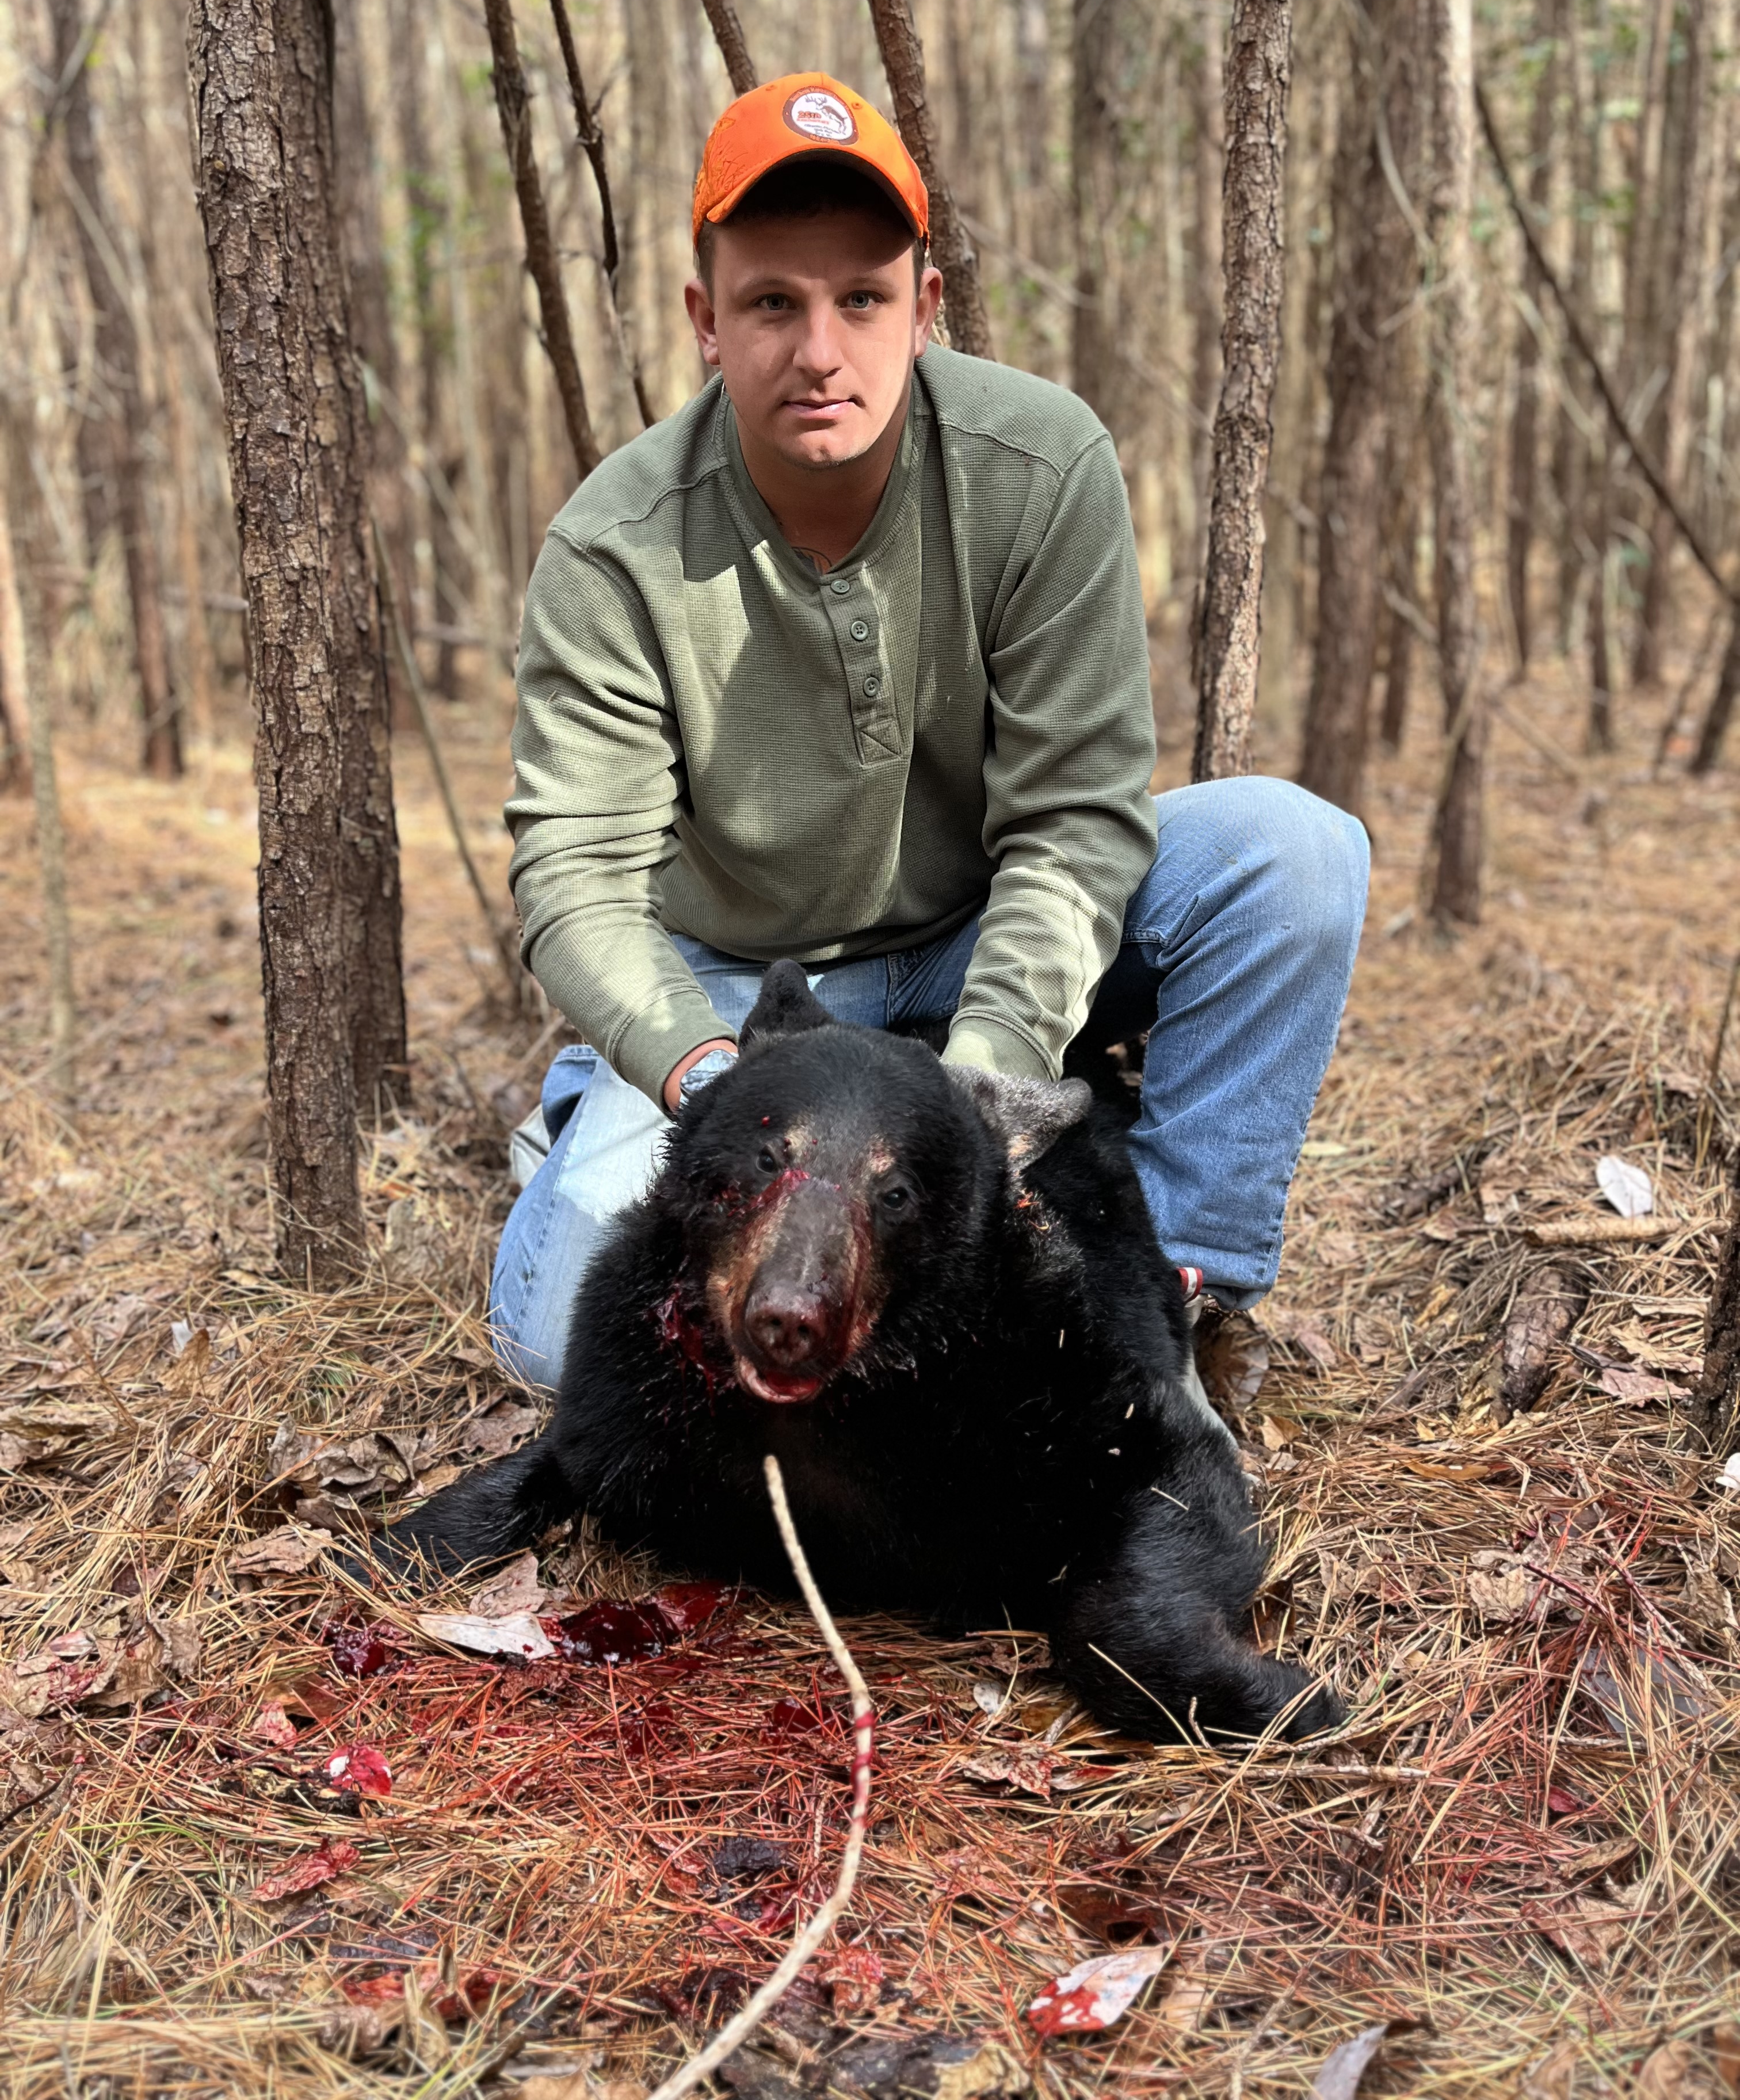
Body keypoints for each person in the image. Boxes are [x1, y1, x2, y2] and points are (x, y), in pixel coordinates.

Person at [494, 71, 1368, 1391]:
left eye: (862, 299)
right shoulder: (616, 546)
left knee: (1288, 855)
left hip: (979, 931)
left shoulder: (1040, 465)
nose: (820, 349)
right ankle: (596, 1105)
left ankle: (1168, 1293)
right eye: (772, 304)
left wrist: (984, 1076)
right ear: (705, 321)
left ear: (926, 308)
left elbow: (1075, 821)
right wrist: (709, 1077)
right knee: (571, 1337)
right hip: (746, 990)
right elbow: (576, 879)